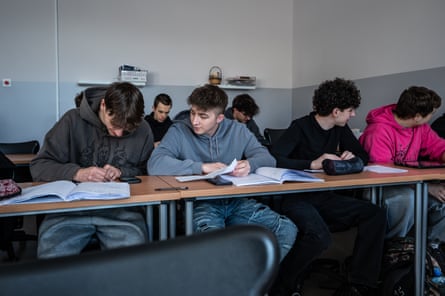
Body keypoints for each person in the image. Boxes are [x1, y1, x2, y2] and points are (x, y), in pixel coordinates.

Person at [148, 84, 297, 262]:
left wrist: (250, 164)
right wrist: (201, 167)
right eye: (193, 112)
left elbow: (268, 159)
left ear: (220, 118)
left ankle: (252, 282)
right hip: (200, 205)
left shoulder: (238, 130)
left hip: (236, 201)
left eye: (203, 116)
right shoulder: (179, 130)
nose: (195, 120)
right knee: (219, 247)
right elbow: (155, 163)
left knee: (287, 230)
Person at [271, 78, 387, 296]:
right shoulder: (301, 127)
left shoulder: (339, 128)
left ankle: (360, 285)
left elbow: (363, 155)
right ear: (336, 111)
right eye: (350, 110)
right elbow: (273, 158)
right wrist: (311, 164)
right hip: (296, 197)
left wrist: (352, 155)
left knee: (375, 214)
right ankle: (281, 287)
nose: (353, 115)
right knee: (319, 236)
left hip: (324, 197)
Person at [30, 82, 154, 259]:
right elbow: (39, 165)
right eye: (115, 124)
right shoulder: (71, 120)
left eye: (126, 129)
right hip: (69, 210)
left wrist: (121, 171)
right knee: (51, 257)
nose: (118, 134)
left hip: (121, 211)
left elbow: (147, 171)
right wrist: (78, 173)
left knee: (133, 259)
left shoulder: (143, 129)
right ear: (103, 105)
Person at [360, 86, 445, 243]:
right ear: (418, 116)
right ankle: (394, 251)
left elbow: (439, 148)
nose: (433, 116)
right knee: (406, 198)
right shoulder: (377, 131)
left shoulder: (421, 127)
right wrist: (428, 188)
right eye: (431, 113)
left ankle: (429, 252)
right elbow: (385, 175)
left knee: (441, 199)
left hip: (412, 185)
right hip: (381, 187)